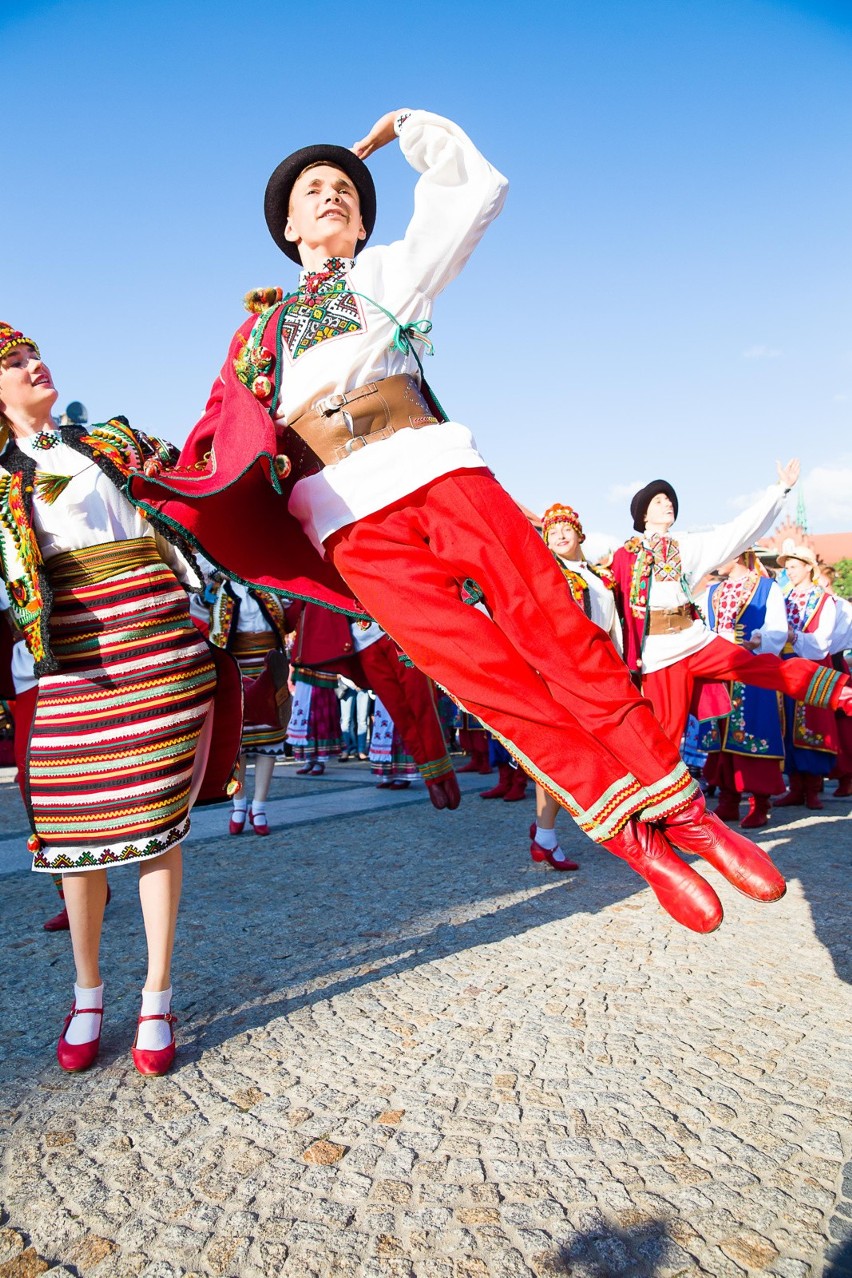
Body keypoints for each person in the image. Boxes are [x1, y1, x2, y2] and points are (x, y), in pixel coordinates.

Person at [131, 109, 851, 935]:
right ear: (287, 225)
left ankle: (688, 813)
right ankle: (632, 837)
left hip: (439, 472)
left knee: (560, 632)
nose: (330, 196)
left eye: (344, 191)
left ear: (363, 220)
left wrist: (411, 129)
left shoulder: (390, 272)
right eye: (313, 191)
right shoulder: (254, 335)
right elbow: (221, 438)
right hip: (347, 523)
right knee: (484, 680)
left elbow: (473, 192)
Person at [0, 321, 242, 1076]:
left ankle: (157, 995)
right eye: (12, 362)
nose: (33, 364)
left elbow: (201, 487)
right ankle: (87, 991)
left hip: (162, 644)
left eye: (32, 352)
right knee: (76, 825)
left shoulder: (111, 437)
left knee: (157, 829)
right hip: (74, 659)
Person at [611, 475, 851, 748]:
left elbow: (738, 531)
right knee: (666, 732)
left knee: (764, 667)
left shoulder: (687, 544)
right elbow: (614, 609)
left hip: (693, 638)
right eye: (659, 500)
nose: (667, 503)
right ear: (643, 513)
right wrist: (627, 656)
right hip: (657, 651)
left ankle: (839, 694)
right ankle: (665, 790)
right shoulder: (626, 555)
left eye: (669, 499)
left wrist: (778, 491)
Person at [699, 552, 788, 828]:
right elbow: (701, 626)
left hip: (751, 671)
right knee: (720, 733)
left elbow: (777, 629)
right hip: (719, 672)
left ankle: (759, 802)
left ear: (738, 554)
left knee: (754, 731)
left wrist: (753, 640)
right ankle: (728, 799)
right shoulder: (711, 591)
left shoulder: (766, 588)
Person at [207, 575, 292, 833]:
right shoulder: (222, 592)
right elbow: (212, 629)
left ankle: (260, 807)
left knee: (270, 734)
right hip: (237, 665)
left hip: (268, 664)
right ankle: (239, 803)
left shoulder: (270, 588)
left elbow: (286, 621)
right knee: (239, 740)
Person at [774, 545, 840, 809]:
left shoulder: (824, 600)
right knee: (788, 722)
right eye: (787, 567)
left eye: (793, 566)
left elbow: (823, 639)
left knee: (812, 722)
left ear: (807, 568)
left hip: (812, 665)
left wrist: (795, 637)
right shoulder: (783, 598)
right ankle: (795, 786)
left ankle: (813, 788)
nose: (789, 572)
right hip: (786, 664)